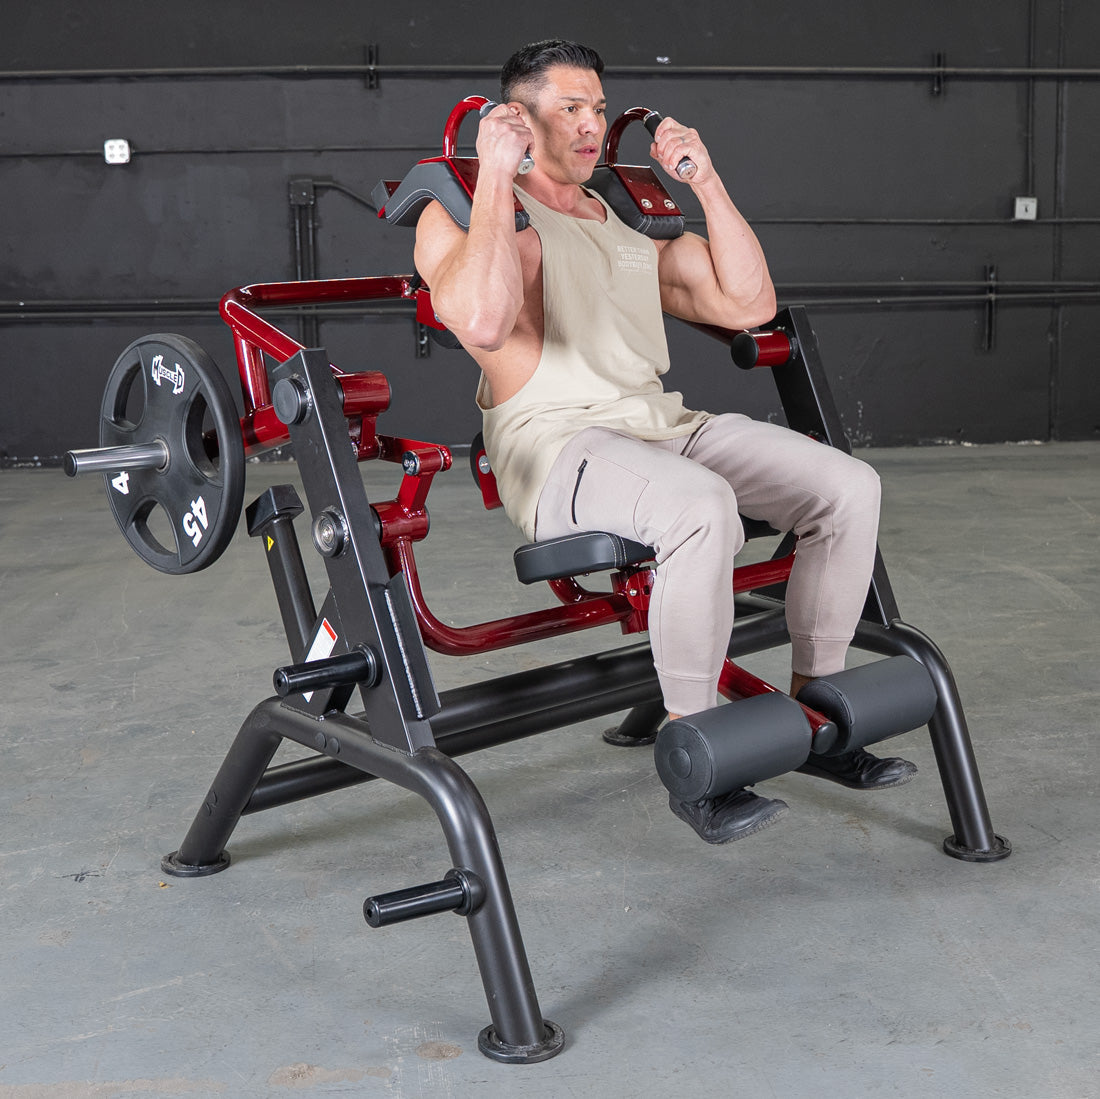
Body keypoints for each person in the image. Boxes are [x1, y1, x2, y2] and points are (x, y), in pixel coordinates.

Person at [414, 39, 916, 844]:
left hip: (662, 429)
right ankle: (700, 747)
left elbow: (749, 303)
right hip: (557, 448)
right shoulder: (458, 213)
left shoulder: (620, 223)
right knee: (700, 509)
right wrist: (497, 175)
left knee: (848, 487)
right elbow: (479, 319)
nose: (590, 126)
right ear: (515, 116)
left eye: (599, 110)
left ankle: (821, 701)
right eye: (569, 108)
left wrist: (704, 181)